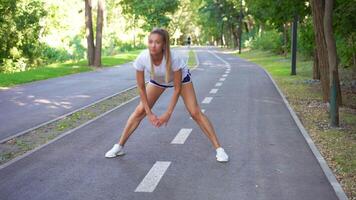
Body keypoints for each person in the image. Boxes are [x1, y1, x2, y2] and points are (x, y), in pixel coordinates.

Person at [105, 28, 229, 162]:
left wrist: (167, 114)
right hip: (158, 81)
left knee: (195, 112)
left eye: (157, 42)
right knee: (139, 111)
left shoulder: (174, 58)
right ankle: (119, 146)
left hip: (181, 81)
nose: (153, 45)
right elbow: (140, 87)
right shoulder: (143, 57)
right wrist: (149, 113)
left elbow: (177, 89)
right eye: (150, 42)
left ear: (164, 45)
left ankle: (219, 149)